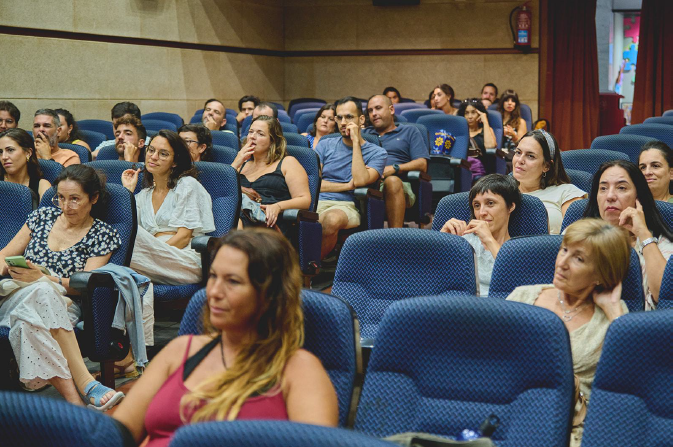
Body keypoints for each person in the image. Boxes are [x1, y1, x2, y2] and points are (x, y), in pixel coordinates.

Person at [112, 229, 339, 446]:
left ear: (270, 294)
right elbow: (116, 434)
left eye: (233, 281)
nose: (213, 292)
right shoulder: (180, 351)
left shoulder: (299, 369)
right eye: (213, 276)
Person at [0, 164, 124, 410]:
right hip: (14, 296)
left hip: (65, 304)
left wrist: (45, 279)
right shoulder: (41, 217)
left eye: (75, 199)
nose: (66, 206)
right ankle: (86, 383)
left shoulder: (102, 234)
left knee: (29, 319)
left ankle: (75, 404)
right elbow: (4, 255)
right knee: (43, 293)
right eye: (61, 198)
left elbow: (87, 283)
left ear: (94, 198)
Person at [507, 218, 631, 447]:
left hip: (572, 429)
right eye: (564, 250)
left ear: (601, 274)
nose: (562, 262)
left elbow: (633, 379)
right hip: (510, 415)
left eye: (579, 258)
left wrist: (613, 307)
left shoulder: (614, 318)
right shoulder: (523, 296)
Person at [122, 130, 215, 285]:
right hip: (150, 259)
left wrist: (152, 253)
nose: (154, 156)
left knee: (120, 251)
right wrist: (128, 192)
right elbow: (129, 228)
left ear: (175, 161)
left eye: (163, 154)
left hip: (183, 258)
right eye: (151, 150)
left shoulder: (187, 185)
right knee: (120, 238)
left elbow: (184, 236)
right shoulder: (143, 195)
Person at [582, 159, 673, 310]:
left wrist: (643, 234)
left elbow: (664, 296)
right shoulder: (578, 236)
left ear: (639, 197)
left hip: (640, 328)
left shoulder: (661, 243)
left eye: (621, 188)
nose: (610, 196)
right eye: (603, 188)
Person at [315, 97, 387, 259]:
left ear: (361, 120)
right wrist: (347, 186)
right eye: (339, 118)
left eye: (348, 117)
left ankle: (307, 269)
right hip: (316, 202)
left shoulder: (377, 153)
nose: (343, 122)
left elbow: (360, 181)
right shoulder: (325, 145)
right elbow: (313, 183)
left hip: (347, 206)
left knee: (331, 220)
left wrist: (356, 142)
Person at [441, 174, 520, 297]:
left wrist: (489, 240)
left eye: (490, 203)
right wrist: (441, 240)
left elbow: (520, 284)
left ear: (510, 206)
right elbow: (429, 280)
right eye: (477, 205)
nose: (482, 212)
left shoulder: (521, 249)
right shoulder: (463, 242)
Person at [232, 116, 310, 231]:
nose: (252, 137)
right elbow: (221, 192)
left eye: (260, 134)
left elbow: (304, 200)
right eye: (250, 132)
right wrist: (236, 162)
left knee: (234, 222)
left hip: (269, 223)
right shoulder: (242, 165)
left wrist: (278, 206)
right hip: (240, 216)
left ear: (273, 141)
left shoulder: (288, 163)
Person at [364, 95, 428, 228]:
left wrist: (395, 168)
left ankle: (395, 237)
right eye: (370, 110)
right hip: (368, 183)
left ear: (391, 110)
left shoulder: (409, 131)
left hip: (399, 184)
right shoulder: (364, 135)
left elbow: (422, 164)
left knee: (391, 181)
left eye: (378, 108)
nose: (374, 114)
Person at [512, 130, 586, 234]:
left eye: (530, 156)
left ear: (546, 166)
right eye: (518, 152)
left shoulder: (567, 193)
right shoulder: (503, 191)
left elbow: (576, 238)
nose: (520, 160)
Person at [0, 128, 51, 207]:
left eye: (10, 150)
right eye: (0, 152)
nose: (4, 157)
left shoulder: (41, 186)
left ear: (28, 153)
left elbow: (46, 217)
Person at [457, 98, 497, 178]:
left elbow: (490, 146)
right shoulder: (459, 133)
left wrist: (485, 121)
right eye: (466, 113)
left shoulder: (487, 130)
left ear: (479, 114)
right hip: (462, 171)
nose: (470, 116)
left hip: (483, 173)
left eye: (473, 112)